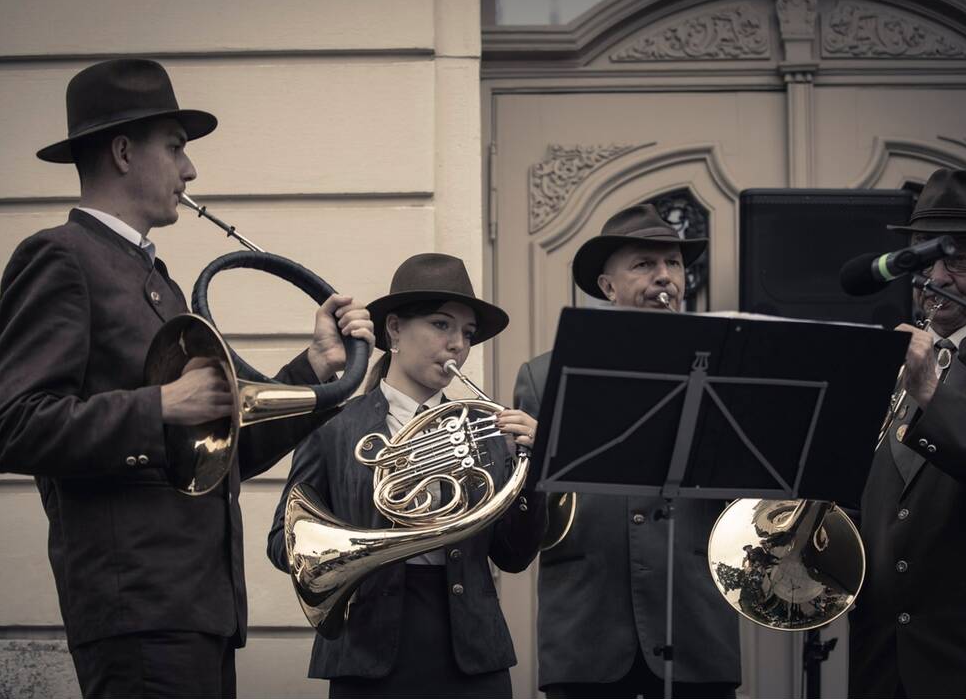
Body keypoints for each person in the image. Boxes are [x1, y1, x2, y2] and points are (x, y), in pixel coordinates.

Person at [0, 58, 374, 698]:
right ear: (125, 151)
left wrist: (317, 371)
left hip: (196, 609)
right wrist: (160, 404)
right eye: (177, 148)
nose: (190, 171)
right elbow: (9, 428)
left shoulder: (154, 280)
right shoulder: (60, 256)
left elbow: (224, 449)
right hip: (136, 607)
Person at [267, 253, 546, 698]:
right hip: (369, 651)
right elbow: (284, 544)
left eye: (467, 333)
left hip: (472, 652)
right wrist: (358, 546)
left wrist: (533, 470)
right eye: (441, 325)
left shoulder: (488, 429)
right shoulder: (333, 427)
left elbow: (514, 556)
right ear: (394, 329)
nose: (458, 343)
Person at [513, 204, 741, 698]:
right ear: (608, 287)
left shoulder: (728, 367)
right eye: (644, 264)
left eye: (674, 264)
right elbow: (524, 516)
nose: (665, 277)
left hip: (696, 623)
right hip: (586, 628)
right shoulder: (540, 376)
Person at [849, 168, 966, 698]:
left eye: (960, 256)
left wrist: (928, 392)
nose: (939, 277)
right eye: (925, 256)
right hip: (880, 654)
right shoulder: (880, 359)